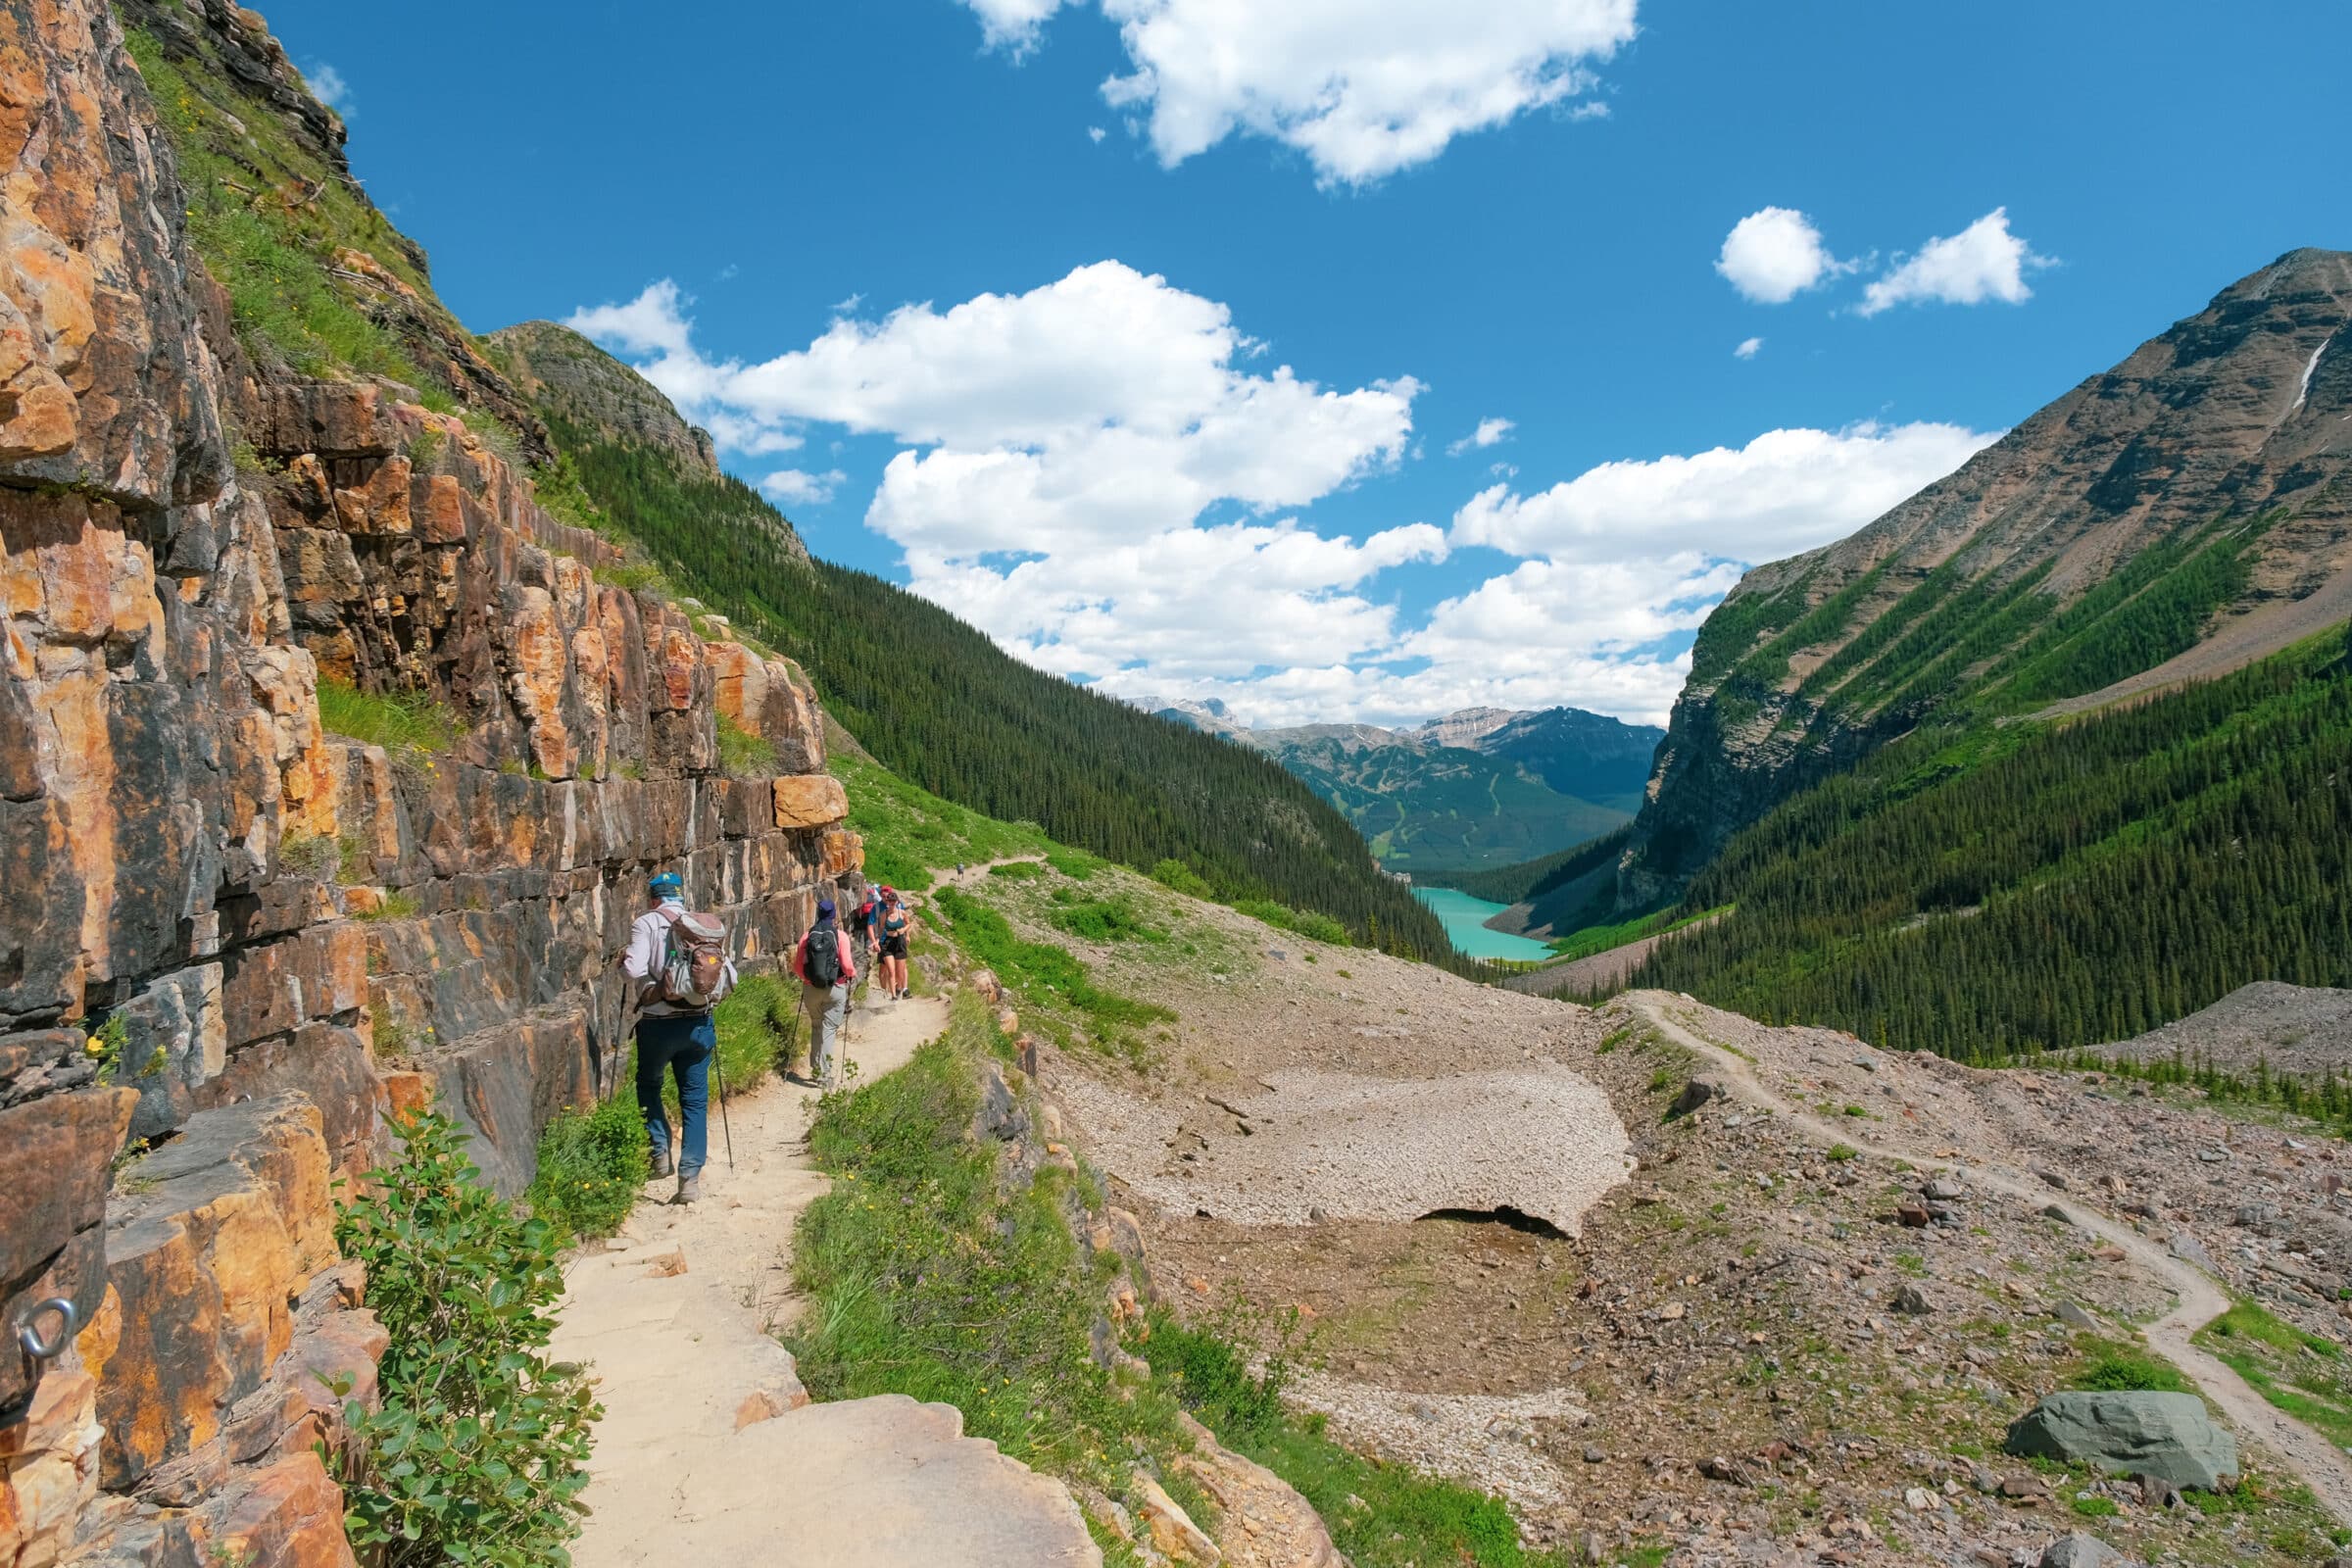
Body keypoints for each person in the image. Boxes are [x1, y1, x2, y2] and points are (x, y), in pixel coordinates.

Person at [621, 871, 731, 1204]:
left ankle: (660, 1152)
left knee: (649, 1084)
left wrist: (624, 959)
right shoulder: (702, 927)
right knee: (695, 1102)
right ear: (679, 896)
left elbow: (633, 970)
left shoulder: (647, 923)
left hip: (658, 1023)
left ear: (654, 898)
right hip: (699, 1025)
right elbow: (729, 975)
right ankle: (689, 1180)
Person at [792, 897, 857, 1089]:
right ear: (834, 915)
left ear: (818, 913)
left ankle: (815, 1068)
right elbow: (847, 965)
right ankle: (824, 1075)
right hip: (834, 988)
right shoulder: (840, 936)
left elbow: (797, 966)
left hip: (811, 988)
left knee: (816, 1026)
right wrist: (852, 975)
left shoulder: (807, 937)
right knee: (829, 1030)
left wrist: (807, 979)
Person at [878, 886, 914, 1002]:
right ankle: (893, 995)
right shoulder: (884, 915)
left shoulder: (902, 913)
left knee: (900, 972)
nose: (891, 903)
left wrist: (905, 932)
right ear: (887, 902)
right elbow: (881, 928)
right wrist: (877, 941)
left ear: (897, 902)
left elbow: (908, 924)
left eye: (893, 901)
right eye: (890, 900)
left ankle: (899, 988)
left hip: (899, 941)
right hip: (888, 943)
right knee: (891, 970)